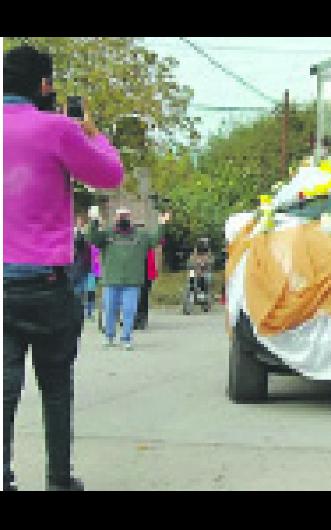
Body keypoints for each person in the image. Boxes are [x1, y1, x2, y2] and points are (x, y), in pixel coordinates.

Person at [3, 45, 124, 491]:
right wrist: (92, 133)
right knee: (55, 388)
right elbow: (110, 175)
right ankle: (58, 478)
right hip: (47, 284)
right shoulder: (57, 128)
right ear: (44, 85)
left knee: (3, 391)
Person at [88, 208, 168, 350]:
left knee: (129, 310)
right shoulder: (107, 235)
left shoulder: (141, 236)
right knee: (110, 309)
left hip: (132, 281)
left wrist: (162, 223)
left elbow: (156, 239)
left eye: (125, 216)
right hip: (111, 280)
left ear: (130, 218)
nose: (123, 218)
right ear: (116, 218)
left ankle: (126, 338)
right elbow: (93, 238)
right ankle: (109, 336)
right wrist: (93, 220)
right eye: (120, 216)